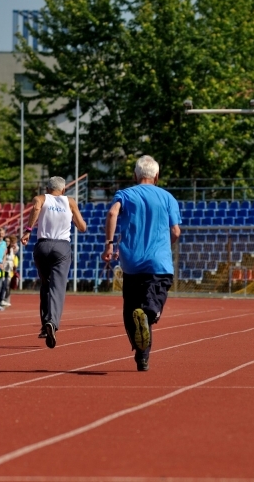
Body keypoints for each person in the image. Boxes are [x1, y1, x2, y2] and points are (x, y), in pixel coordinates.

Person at [103, 156, 181, 371]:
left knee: (131, 309)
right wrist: (165, 244)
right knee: (150, 306)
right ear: (156, 176)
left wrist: (109, 245)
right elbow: (175, 231)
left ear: (135, 175)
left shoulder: (125, 194)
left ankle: (142, 357)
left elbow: (112, 213)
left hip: (131, 262)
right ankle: (148, 314)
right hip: (159, 264)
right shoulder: (167, 197)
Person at [21, 176, 87, 348]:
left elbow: (36, 208)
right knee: (57, 288)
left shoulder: (41, 198)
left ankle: (44, 326)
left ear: (47, 188)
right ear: (64, 189)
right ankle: (52, 322)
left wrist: (28, 231)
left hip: (42, 246)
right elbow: (82, 227)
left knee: (45, 285)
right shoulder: (70, 201)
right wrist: (74, 218)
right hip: (61, 247)